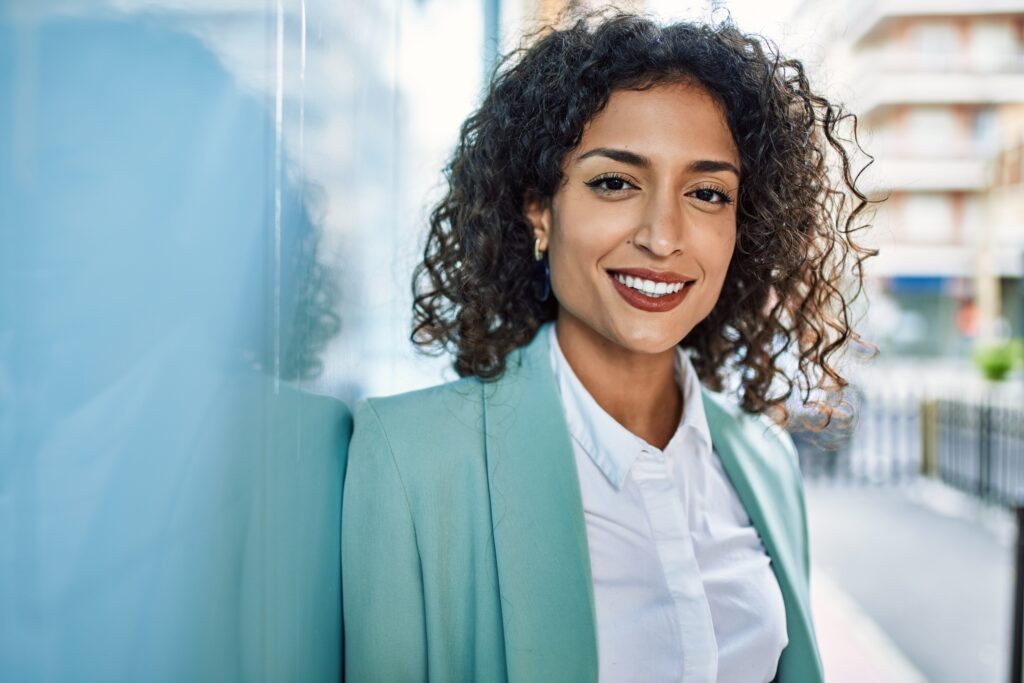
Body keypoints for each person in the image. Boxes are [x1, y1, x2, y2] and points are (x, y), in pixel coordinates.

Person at [341, 11, 875, 683]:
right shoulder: (410, 457)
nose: (662, 235)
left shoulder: (764, 462)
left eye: (708, 192)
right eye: (615, 182)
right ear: (540, 209)